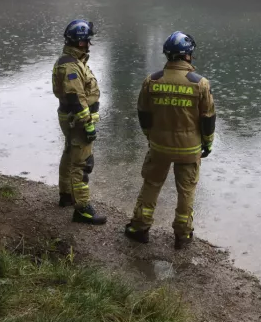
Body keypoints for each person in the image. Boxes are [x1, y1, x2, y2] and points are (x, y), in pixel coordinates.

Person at [126, 31, 216, 249]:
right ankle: (182, 235)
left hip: (159, 147)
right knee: (186, 191)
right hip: (189, 148)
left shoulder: (152, 81)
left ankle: (140, 227)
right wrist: (208, 143)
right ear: (187, 55)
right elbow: (208, 118)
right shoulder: (200, 83)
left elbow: (143, 114)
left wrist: (150, 136)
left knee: (152, 185)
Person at [52, 19, 107, 225]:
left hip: (72, 118)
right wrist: (88, 123)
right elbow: (76, 98)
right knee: (82, 163)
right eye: (87, 41)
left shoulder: (74, 61)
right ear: (80, 42)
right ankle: (82, 208)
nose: (90, 44)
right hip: (78, 119)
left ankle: (66, 194)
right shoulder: (70, 65)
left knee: (69, 153)